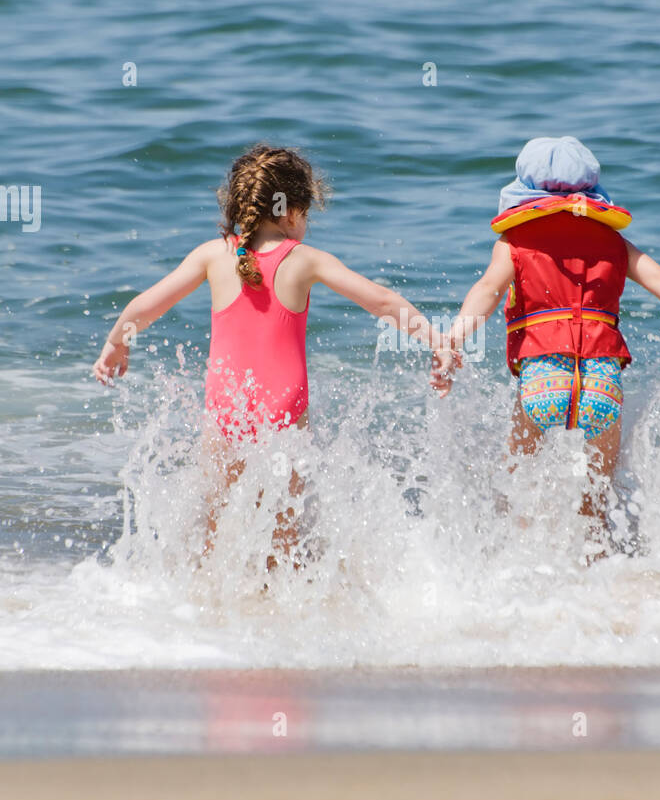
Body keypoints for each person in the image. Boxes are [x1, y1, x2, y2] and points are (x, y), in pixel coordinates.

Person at [93, 141, 451, 564]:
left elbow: (146, 306)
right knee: (283, 535)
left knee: (214, 530)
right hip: (284, 413)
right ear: (291, 211)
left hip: (228, 409)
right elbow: (382, 302)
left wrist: (116, 343)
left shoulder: (212, 255)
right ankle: (279, 614)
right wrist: (435, 340)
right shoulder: (305, 260)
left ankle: (204, 613)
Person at [436, 136, 660, 524]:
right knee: (597, 501)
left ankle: (509, 555)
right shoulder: (614, 243)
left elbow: (487, 292)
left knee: (514, 480)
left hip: (543, 381)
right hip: (601, 384)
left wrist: (451, 342)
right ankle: (598, 564)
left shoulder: (515, 242)